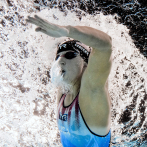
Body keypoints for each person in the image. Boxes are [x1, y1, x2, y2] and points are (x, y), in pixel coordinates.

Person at [26, 15, 112, 147]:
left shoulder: (92, 93)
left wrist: (67, 31)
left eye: (70, 55)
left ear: (86, 64)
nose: (60, 61)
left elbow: (105, 45)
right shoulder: (64, 89)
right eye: (58, 57)